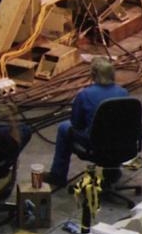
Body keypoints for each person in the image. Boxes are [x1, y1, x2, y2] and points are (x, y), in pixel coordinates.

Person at [47, 57, 130, 189]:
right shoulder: (123, 93)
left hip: (95, 145)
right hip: (122, 145)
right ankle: (112, 170)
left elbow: (77, 124)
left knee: (64, 128)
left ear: (93, 75)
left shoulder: (84, 95)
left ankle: (58, 175)